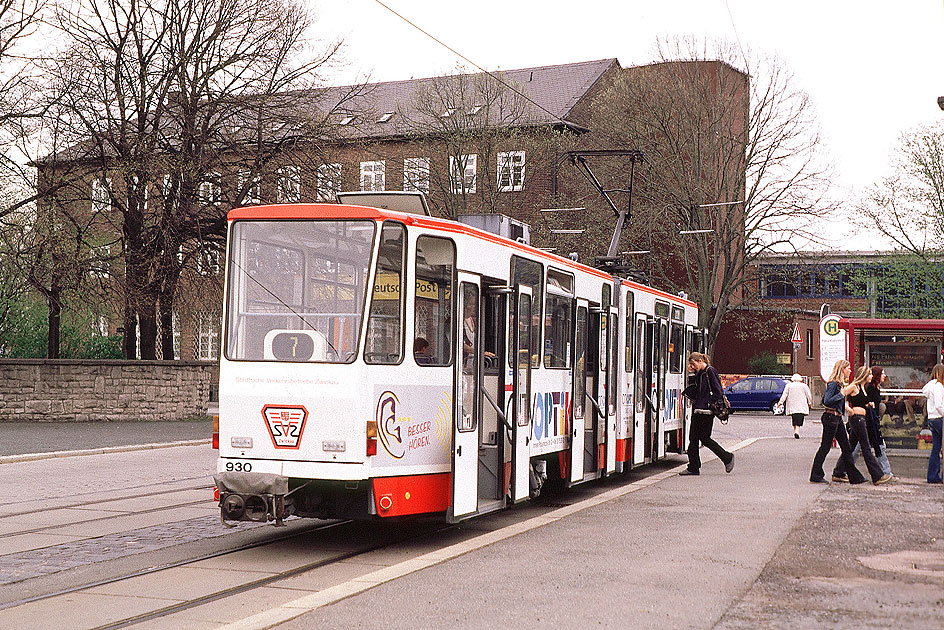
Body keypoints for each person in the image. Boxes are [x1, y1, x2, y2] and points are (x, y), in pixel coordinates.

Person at [810, 360, 867, 485]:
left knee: (846, 448)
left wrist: (846, 407)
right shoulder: (833, 384)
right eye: (848, 368)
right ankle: (816, 474)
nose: (850, 371)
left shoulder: (840, 384)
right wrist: (841, 394)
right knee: (825, 447)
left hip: (837, 418)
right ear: (842, 369)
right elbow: (826, 400)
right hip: (830, 417)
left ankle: (852, 476)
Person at [833, 366, 893, 485]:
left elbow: (859, 402)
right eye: (869, 374)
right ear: (864, 375)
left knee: (850, 448)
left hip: (861, 418)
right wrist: (848, 410)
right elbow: (838, 397)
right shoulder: (854, 386)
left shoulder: (862, 388)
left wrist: (867, 405)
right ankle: (877, 475)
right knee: (865, 448)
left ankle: (838, 472)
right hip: (857, 420)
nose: (871, 376)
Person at [680, 352, 734, 476]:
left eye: (693, 364)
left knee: (704, 438)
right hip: (698, 410)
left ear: (700, 360)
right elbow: (696, 389)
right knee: (693, 439)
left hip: (706, 412)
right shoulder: (700, 373)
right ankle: (693, 467)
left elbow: (718, 391)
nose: (692, 366)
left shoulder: (710, 371)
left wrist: (707, 403)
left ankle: (727, 457)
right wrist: (692, 374)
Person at [921, 363, 944, 484]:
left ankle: (932, 475)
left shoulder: (929, 385)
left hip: (932, 418)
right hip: (940, 417)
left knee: (936, 448)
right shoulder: (939, 386)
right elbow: (939, 404)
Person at [778, 373, 812, 439]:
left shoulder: (789, 386)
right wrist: (809, 402)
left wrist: (780, 402)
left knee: (794, 419)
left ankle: (795, 431)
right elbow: (809, 395)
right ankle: (797, 431)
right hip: (801, 405)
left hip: (792, 405)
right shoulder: (804, 386)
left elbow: (784, 395)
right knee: (799, 419)